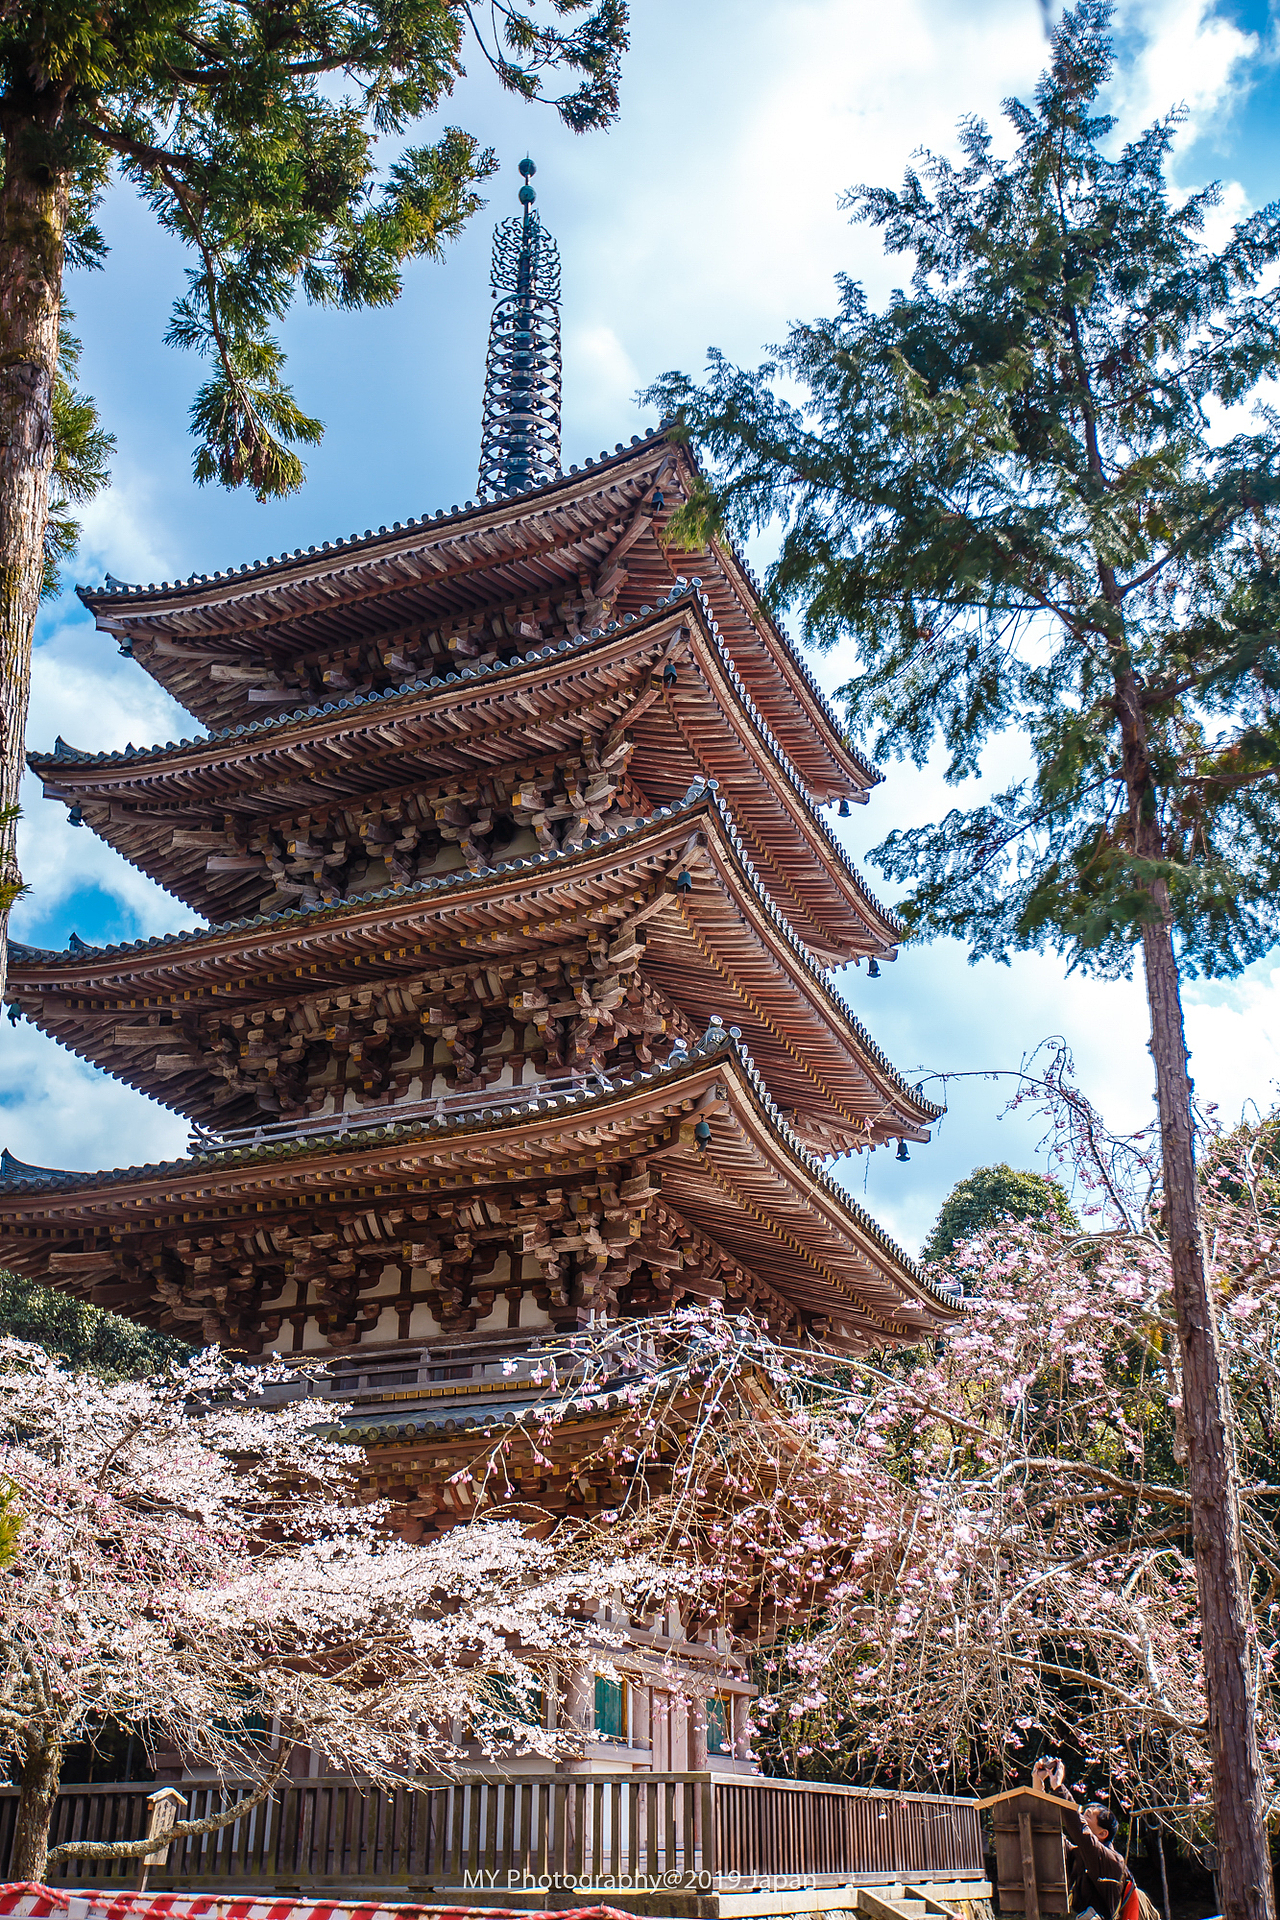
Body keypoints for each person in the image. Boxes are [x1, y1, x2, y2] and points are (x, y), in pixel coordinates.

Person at [1030, 1758, 1139, 1920]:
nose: (1081, 1818)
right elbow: (1048, 1833)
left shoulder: (1113, 1860)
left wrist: (1059, 1787)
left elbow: (1080, 1831)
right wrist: (1038, 1782)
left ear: (1102, 1834)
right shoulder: (1078, 1853)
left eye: (1087, 1817)